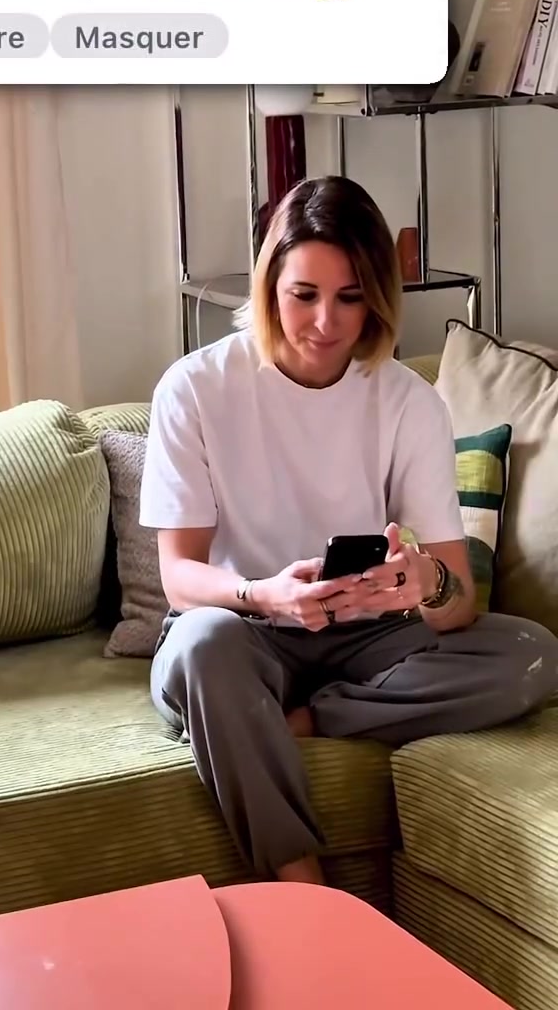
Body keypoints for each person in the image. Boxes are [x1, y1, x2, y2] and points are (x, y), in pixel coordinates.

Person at [138, 175, 558, 888]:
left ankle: (299, 721)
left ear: (378, 299)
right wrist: (262, 593)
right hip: (242, 632)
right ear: (270, 286)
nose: (325, 323)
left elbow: (458, 602)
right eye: (304, 295)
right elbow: (180, 577)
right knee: (203, 644)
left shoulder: (409, 403)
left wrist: (426, 583)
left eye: (350, 297)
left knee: (532, 654)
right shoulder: (195, 388)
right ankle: (302, 884)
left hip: (366, 638)